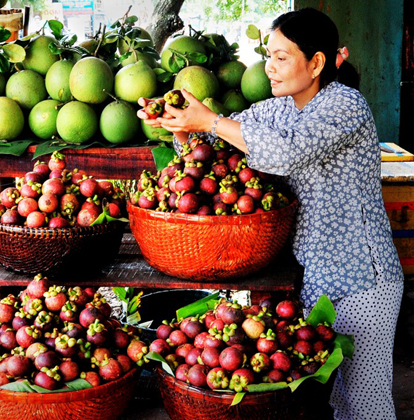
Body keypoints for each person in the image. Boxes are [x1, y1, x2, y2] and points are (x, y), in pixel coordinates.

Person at [138, 8, 404, 420]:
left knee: (365, 401)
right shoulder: (276, 110)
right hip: (309, 278)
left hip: (361, 281)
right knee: (329, 401)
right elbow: (218, 149)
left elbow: (285, 152)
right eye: (268, 55)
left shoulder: (346, 106)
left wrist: (209, 119)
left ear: (316, 62)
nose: (270, 67)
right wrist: (181, 127)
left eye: (282, 57)